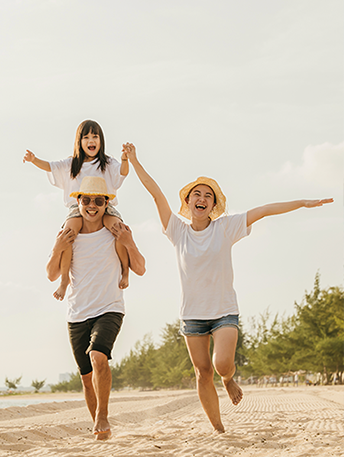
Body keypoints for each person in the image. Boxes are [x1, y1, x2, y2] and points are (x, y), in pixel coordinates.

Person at [123, 142, 333, 433]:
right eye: (196, 193)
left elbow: (265, 210)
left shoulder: (226, 227)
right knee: (202, 372)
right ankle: (219, 427)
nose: (202, 198)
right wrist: (134, 160)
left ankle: (229, 377)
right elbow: (155, 192)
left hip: (224, 311)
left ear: (213, 205)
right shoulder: (177, 230)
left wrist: (303, 203)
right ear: (188, 201)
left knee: (221, 365)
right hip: (192, 315)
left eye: (208, 195)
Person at [46, 176, 146, 440]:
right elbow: (50, 274)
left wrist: (130, 242)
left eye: (98, 201)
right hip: (77, 313)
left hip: (109, 307)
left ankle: (103, 415)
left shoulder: (115, 231)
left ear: (106, 204)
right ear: (78, 201)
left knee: (98, 357)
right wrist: (57, 248)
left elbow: (142, 268)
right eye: (87, 200)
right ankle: (101, 431)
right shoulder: (70, 234)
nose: (92, 206)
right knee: (86, 376)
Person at [24, 119, 130, 301]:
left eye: (95, 136)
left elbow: (123, 172)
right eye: (86, 137)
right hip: (77, 206)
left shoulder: (107, 162)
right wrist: (34, 160)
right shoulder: (72, 163)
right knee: (68, 235)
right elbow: (51, 166)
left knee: (118, 229)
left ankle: (125, 271)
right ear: (79, 142)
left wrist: (125, 159)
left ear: (101, 140)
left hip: (104, 204)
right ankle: (65, 280)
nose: (91, 140)